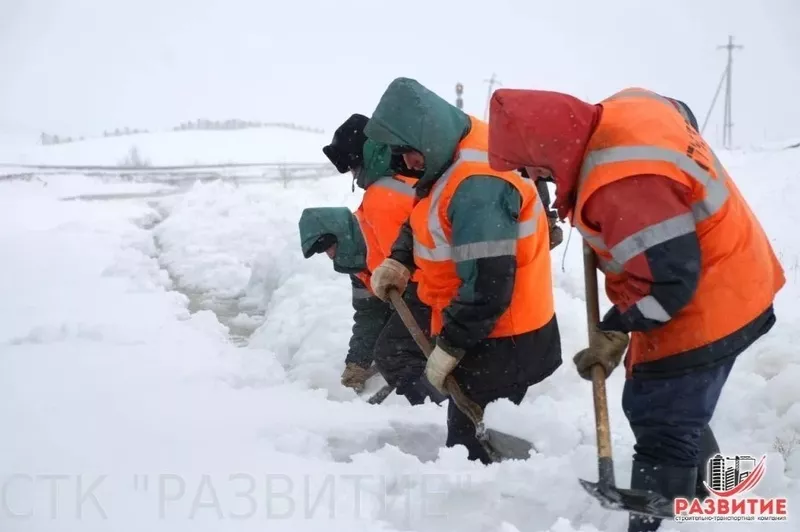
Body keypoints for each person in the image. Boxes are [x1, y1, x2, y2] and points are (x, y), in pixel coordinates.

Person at [486, 86, 785, 530]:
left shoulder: (619, 184)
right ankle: (704, 491)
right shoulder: (623, 109)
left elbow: (669, 284)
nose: (532, 176)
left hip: (714, 297)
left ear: (546, 148)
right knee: (666, 405)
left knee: (660, 416)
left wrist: (617, 324)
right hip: (736, 270)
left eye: (529, 166)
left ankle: (660, 517)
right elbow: (677, 109)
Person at [363, 77, 563, 464]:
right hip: (487, 331)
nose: (407, 164)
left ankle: (500, 510)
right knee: (475, 432)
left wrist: (451, 346)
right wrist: (399, 259)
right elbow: (426, 211)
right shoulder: (450, 152)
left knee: (472, 448)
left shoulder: (478, 186)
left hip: (504, 337)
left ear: (426, 135)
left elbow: (489, 284)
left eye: (408, 152)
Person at [300, 114, 445, 405]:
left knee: (395, 353)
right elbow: (369, 314)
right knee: (393, 350)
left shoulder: (382, 200)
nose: (329, 255)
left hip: (436, 290)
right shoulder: (360, 251)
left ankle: (433, 409)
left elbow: (415, 262)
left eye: (329, 247)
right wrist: (358, 362)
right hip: (436, 288)